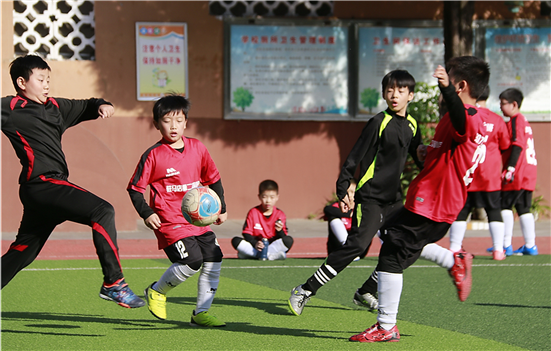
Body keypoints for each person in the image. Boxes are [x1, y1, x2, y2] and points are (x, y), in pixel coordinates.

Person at [346, 56, 489, 343]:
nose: (441, 86)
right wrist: (427, 153)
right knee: (388, 233)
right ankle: (453, 260)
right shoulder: (466, 118)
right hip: (431, 201)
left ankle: (386, 326)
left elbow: (462, 123)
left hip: (435, 205)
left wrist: (448, 90)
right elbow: (453, 154)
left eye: (448, 81)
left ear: (459, 86)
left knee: (391, 257)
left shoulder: (468, 116)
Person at [0, 55, 145, 308]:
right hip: (42, 185)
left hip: (48, 191)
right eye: (41, 79)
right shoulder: (9, 108)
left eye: (49, 79)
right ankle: (114, 283)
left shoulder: (56, 107)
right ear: (22, 82)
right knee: (102, 210)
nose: (47, 84)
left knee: (22, 253)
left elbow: (89, 104)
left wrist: (103, 105)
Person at [288, 70, 423, 316]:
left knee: (406, 245)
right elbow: (355, 155)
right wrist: (343, 188)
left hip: (395, 200)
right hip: (370, 197)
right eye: (390, 90)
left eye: (400, 91)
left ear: (410, 96)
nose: (394, 95)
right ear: (383, 93)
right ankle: (305, 290)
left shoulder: (413, 125)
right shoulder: (378, 122)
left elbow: (418, 157)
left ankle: (366, 291)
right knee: (358, 247)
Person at [127, 94, 227, 326]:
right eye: (166, 120)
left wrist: (222, 207)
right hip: (169, 222)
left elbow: (214, 178)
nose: (173, 126)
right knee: (192, 261)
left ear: (186, 122)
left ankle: (201, 313)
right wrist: (147, 212)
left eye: (178, 120)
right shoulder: (153, 155)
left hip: (198, 221)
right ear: (156, 124)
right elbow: (134, 189)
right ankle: (156, 291)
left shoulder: (198, 148)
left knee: (214, 258)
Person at [447, 86, 511, 260]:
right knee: (494, 211)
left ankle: (454, 248)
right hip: (489, 176)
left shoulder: (466, 116)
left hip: (467, 173)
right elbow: (505, 146)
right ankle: (498, 250)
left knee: (462, 211)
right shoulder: (497, 120)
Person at [498, 88, 538, 256]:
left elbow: (518, 144)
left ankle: (505, 244)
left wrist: (510, 167)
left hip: (518, 172)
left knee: (504, 206)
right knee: (523, 208)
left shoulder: (515, 120)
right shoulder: (524, 121)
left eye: (502, 103)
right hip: (529, 171)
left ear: (514, 104)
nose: (500, 107)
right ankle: (530, 245)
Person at [231, 180, 293, 260]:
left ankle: (256, 255)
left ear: (277, 197)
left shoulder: (280, 214)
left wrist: (279, 230)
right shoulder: (253, 212)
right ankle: (270, 256)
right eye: (264, 197)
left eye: (272, 197)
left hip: (271, 245)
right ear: (259, 196)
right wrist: (255, 243)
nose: (268, 201)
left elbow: (283, 237)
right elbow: (246, 233)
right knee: (235, 240)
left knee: (289, 240)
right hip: (256, 245)